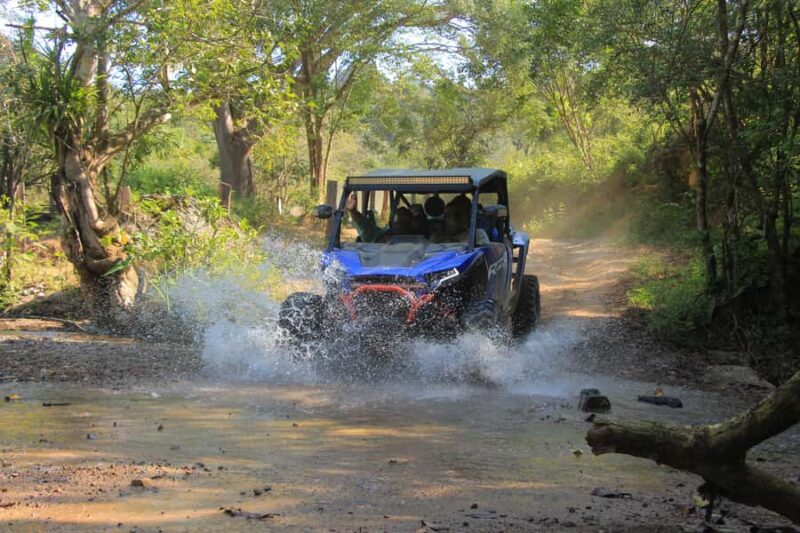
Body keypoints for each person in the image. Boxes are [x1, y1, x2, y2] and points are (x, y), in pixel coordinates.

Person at [345, 192, 413, 242]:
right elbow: (367, 232)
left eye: (404, 222)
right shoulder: (384, 236)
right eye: (398, 221)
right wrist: (353, 212)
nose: (400, 225)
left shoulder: (419, 240)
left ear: (411, 223)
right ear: (392, 223)